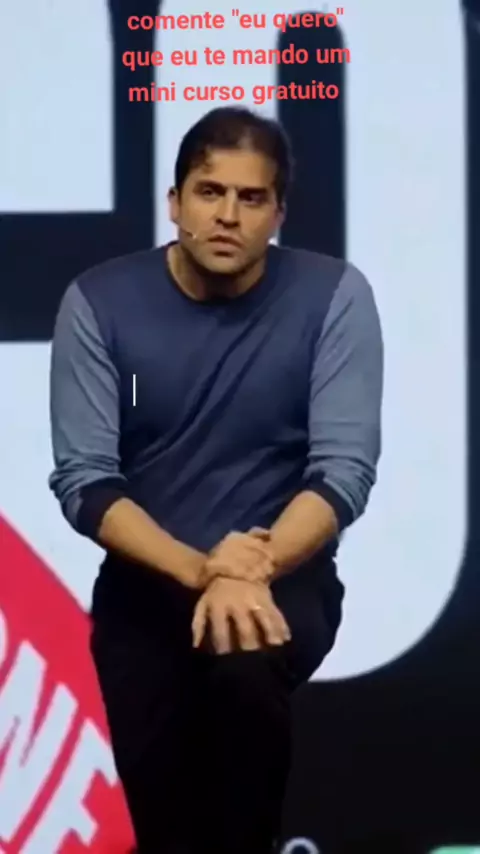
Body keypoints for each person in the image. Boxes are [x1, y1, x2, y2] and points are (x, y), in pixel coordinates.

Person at [48, 106, 383, 854]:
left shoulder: (334, 295)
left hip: (282, 584)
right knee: (167, 827)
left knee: (242, 662)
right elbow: (86, 482)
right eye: (209, 192)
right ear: (174, 203)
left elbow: (344, 471)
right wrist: (206, 571)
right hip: (146, 590)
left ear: (278, 214)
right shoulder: (98, 303)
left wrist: (250, 569)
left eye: (251, 197)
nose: (228, 215)